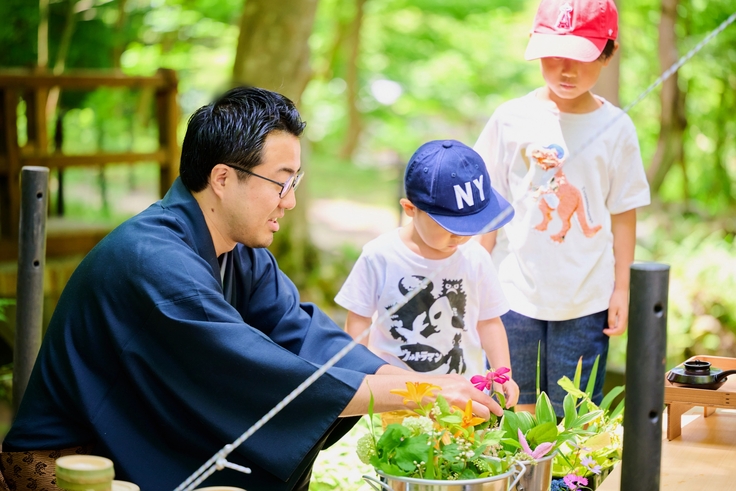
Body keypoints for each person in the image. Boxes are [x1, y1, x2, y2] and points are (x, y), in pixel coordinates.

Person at [1, 87, 503, 491]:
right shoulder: (152, 260)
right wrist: (420, 392)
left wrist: (423, 383)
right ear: (223, 178)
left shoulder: (241, 253)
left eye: (295, 181)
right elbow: (246, 370)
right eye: (281, 181)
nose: (289, 201)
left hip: (138, 430)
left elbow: (308, 338)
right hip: (72, 458)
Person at [473, 0, 650, 415]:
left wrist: (621, 288)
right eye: (552, 58)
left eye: (580, 58)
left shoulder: (617, 128)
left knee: (574, 411)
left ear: (608, 53)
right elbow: (490, 201)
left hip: (587, 296)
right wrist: (474, 274)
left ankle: (565, 483)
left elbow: (624, 213)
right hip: (511, 292)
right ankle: (513, 480)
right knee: (510, 405)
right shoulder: (511, 117)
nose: (565, 71)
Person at [335, 139, 520, 408]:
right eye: (450, 226)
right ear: (410, 209)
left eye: (470, 226)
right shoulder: (381, 255)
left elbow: (489, 321)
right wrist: (358, 374)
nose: (461, 236)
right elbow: (359, 319)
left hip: (464, 395)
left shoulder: (476, 257)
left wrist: (503, 374)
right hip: (398, 396)